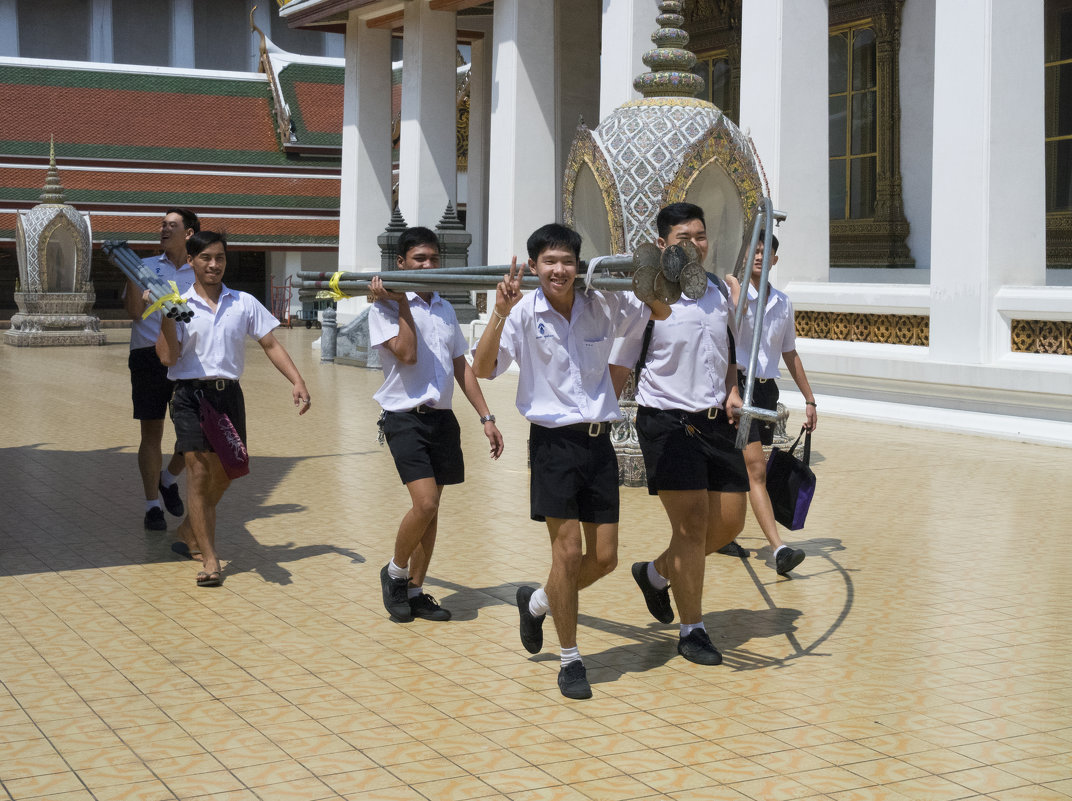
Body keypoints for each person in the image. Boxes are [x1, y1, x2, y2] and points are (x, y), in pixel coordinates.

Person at [472, 223, 669, 700]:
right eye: (549, 262)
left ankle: (538, 601)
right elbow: (480, 369)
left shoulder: (603, 303)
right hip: (553, 446)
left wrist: (658, 268)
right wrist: (498, 312)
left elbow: (659, 308)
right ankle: (571, 658)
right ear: (535, 267)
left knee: (604, 558)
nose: (558, 270)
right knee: (565, 554)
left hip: (599, 443)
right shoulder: (521, 313)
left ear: (578, 265)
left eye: (566, 261)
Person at [629, 202, 749, 666]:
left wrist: (733, 388)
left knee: (731, 522)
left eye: (700, 236)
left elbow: (728, 347)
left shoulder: (718, 292)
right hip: (667, 420)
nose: (695, 244)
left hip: (715, 419)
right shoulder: (649, 295)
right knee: (692, 525)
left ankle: (656, 574)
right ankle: (692, 629)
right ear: (662, 245)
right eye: (684, 238)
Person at [156, 231, 311, 587]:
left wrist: (297, 380)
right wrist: (165, 315)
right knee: (197, 473)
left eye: (220, 258)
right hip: (190, 396)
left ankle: (189, 528)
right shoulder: (179, 304)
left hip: (228, 397)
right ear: (192, 261)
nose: (214, 265)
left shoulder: (242, 301)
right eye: (206, 258)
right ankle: (210, 560)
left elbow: (270, 343)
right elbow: (168, 357)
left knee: (228, 471)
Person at [370, 226, 504, 624]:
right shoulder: (382, 308)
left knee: (432, 511)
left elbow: (461, 365)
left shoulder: (445, 308)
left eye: (433, 259)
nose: (428, 266)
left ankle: (414, 590)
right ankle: (394, 572)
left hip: (442, 419)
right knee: (423, 502)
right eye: (419, 260)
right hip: (404, 418)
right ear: (401, 264)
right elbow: (407, 355)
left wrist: (487, 417)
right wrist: (402, 302)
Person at [732, 232, 818, 575]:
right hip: (739, 387)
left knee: (744, 468)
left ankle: (723, 532)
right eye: (753, 251)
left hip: (767, 391)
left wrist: (810, 399)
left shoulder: (782, 302)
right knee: (755, 470)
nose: (758, 257)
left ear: (774, 261)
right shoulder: (732, 295)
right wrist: (734, 289)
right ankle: (778, 548)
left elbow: (789, 353)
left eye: (765, 253)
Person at [125, 208, 199, 531]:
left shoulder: (199, 271)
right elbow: (135, 313)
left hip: (187, 358)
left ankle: (168, 479)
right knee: (151, 432)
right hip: (147, 355)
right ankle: (151, 506)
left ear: (189, 234)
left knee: (196, 432)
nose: (164, 229)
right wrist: (131, 273)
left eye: (172, 225)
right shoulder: (145, 267)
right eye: (162, 225)